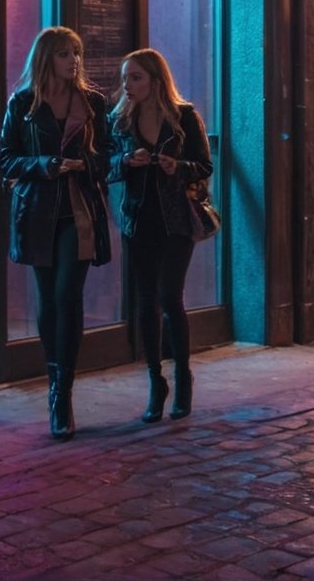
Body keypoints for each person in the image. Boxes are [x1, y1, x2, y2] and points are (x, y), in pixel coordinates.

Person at [0, 27, 113, 441]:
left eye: (78, 54)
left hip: (80, 211)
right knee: (48, 297)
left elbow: (110, 156)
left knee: (69, 294)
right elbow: (6, 158)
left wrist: (86, 164)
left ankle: (63, 391)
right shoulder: (24, 102)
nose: (75, 61)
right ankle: (54, 384)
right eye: (66, 54)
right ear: (48, 58)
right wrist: (46, 163)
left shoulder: (94, 103)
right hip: (39, 212)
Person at [108, 48, 213, 422]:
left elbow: (204, 164)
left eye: (135, 77)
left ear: (155, 80)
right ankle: (156, 382)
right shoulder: (118, 121)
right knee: (145, 302)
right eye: (125, 78)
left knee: (171, 297)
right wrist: (123, 161)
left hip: (176, 220)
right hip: (138, 220)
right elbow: (103, 166)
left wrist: (177, 166)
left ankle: (182, 377)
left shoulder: (184, 116)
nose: (128, 85)